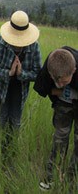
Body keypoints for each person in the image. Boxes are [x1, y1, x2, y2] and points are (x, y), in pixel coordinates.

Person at [0, 10, 42, 153]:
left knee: (16, 121)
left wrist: (21, 74)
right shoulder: (0, 41)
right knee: (2, 119)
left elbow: (38, 74)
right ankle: (0, 149)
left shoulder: (34, 46)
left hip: (21, 87)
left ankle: (12, 150)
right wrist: (9, 73)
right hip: (2, 86)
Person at [34, 47, 78, 191]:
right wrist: (58, 90)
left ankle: (71, 180)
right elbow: (42, 89)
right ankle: (51, 177)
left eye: (65, 82)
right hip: (63, 105)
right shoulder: (49, 67)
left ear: (74, 71)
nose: (60, 84)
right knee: (59, 139)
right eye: (57, 81)